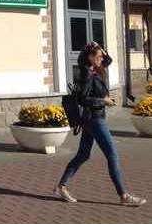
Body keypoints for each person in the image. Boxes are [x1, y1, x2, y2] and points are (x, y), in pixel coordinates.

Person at [55, 41, 146, 206]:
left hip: (92, 119)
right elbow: (83, 99)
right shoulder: (87, 74)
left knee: (84, 154)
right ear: (90, 58)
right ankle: (123, 195)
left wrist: (100, 49)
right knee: (112, 154)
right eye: (98, 57)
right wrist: (104, 101)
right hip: (94, 119)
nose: (102, 59)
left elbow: (108, 60)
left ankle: (61, 186)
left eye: (101, 56)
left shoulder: (94, 69)